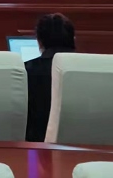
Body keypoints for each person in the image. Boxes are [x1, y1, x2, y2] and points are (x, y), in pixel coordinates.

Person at [25, 12, 76, 142]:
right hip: (83, 146)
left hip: (35, 146)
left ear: (39, 42)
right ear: (73, 39)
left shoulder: (25, 71)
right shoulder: (89, 69)